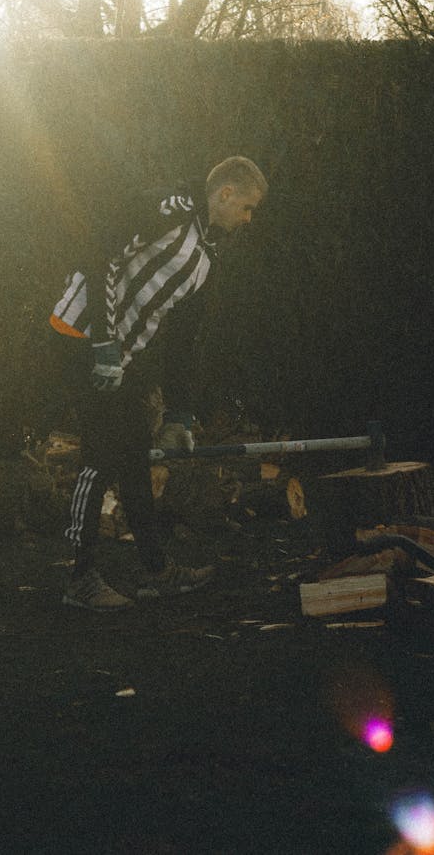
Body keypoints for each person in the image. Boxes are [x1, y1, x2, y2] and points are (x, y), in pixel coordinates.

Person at [49, 156, 267, 611]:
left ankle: (155, 572)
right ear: (225, 193)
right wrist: (104, 344)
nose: (248, 219)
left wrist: (180, 414)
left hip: (119, 358)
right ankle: (79, 577)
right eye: (246, 207)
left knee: (130, 455)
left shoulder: (207, 258)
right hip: (77, 334)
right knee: (102, 453)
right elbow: (101, 255)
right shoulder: (170, 209)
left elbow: (185, 342)